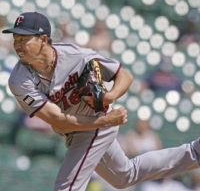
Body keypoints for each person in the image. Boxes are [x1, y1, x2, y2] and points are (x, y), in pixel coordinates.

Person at [2, 12, 200, 191]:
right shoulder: (18, 80)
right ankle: (194, 153)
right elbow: (58, 120)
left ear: (43, 39)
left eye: (24, 39)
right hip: (89, 125)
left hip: (95, 122)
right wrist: (107, 121)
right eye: (15, 38)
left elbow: (124, 75)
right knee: (124, 176)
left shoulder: (76, 56)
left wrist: (110, 96)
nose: (17, 45)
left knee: (66, 188)